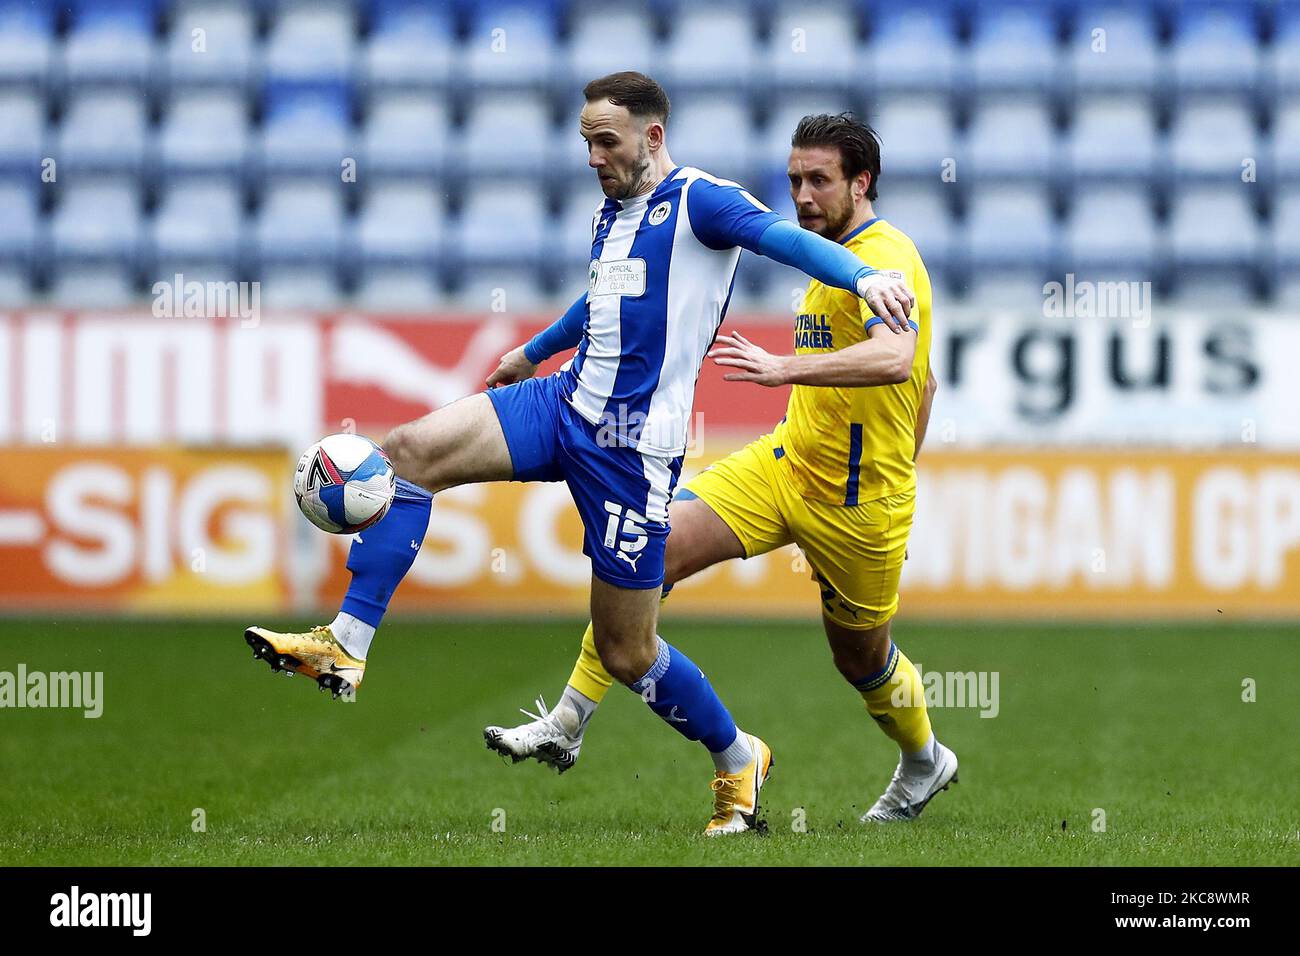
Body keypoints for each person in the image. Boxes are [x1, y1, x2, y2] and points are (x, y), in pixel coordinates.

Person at [245, 76, 916, 835]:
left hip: (631, 453)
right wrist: (532, 352)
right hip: (562, 404)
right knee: (406, 453)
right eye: (587, 142)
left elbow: (783, 240)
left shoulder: (703, 201)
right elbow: (601, 297)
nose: (594, 157)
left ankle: (737, 758)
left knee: (628, 652)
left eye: (607, 142)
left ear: (653, 138)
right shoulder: (615, 207)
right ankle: (345, 646)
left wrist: (862, 274)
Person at [485, 113, 956, 824]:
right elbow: (928, 383)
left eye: (819, 180)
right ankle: (570, 719)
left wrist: (788, 373)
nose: (802, 195)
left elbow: (899, 363)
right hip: (784, 466)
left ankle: (924, 760)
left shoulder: (888, 257)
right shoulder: (824, 254)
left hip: (861, 507)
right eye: (795, 179)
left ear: (862, 183)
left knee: (861, 660)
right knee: (653, 550)